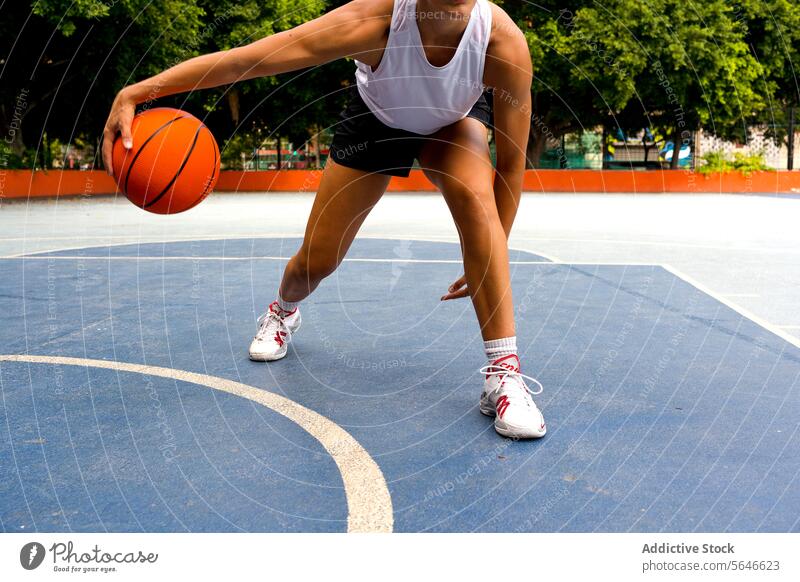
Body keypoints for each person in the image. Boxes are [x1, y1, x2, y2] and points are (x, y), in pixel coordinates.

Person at [102, 0, 546, 439]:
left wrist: (491, 252)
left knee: (476, 197)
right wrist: (140, 91)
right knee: (316, 261)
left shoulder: (500, 42)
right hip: (377, 121)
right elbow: (254, 58)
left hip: (453, 123)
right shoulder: (376, 22)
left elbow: (509, 166)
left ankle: (502, 373)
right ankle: (282, 311)